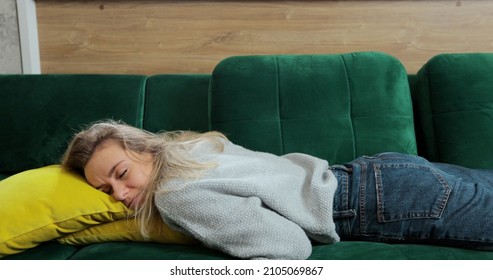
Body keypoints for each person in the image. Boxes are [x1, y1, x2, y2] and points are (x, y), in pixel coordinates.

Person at [61, 119, 493, 259]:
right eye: (105, 189)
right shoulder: (193, 147)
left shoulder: (174, 194)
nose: (118, 194)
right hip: (383, 172)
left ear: (143, 149)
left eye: (120, 173)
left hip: (379, 202)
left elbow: (289, 249)